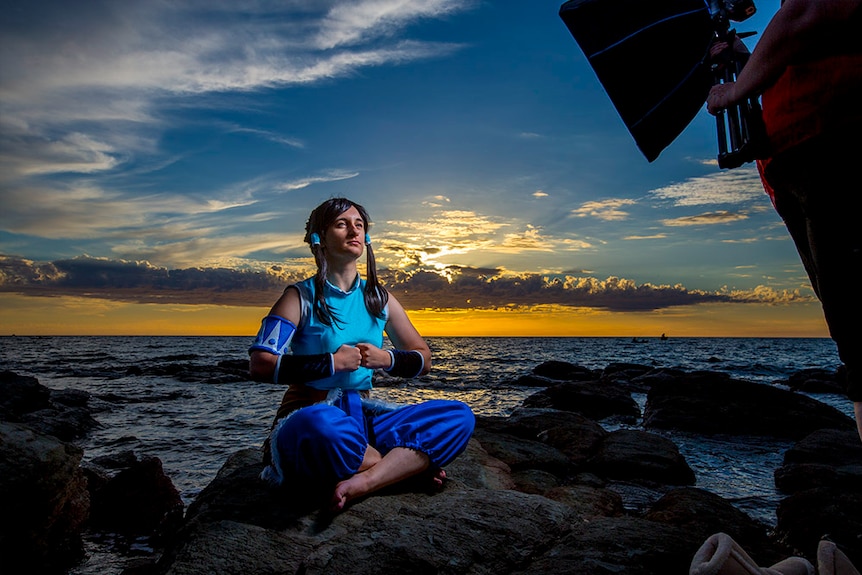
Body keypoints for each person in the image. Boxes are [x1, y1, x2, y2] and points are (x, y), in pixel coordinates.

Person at [248, 197, 475, 512]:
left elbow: (424, 357)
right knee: (319, 424)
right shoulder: (298, 297)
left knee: (457, 416)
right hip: (313, 416)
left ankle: (366, 479)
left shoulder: (379, 298)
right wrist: (332, 362)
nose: (353, 230)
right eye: (341, 224)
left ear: (366, 238)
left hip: (363, 418)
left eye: (359, 225)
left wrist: (388, 360)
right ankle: (399, 470)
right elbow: (261, 364)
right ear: (319, 238)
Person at [706, 0, 862, 442]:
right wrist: (746, 60)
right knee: (852, 335)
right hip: (801, 152)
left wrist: (734, 90)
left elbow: (810, 11)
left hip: (835, 142)